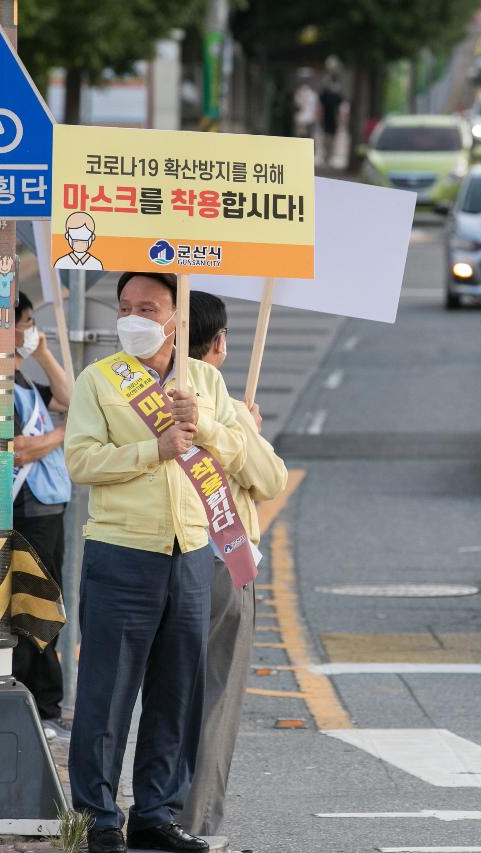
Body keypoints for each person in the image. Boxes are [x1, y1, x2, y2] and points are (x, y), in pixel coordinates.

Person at [65, 272, 247, 853]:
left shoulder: (207, 383)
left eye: (148, 307)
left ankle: (156, 812)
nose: (133, 318)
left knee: (179, 688)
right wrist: (154, 449)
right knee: (106, 688)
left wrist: (208, 423)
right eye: (124, 307)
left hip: (192, 550)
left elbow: (245, 456)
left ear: (177, 316)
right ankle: (97, 815)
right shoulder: (98, 380)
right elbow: (82, 461)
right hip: (122, 549)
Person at [178, 292, 288, 837]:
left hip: (161, 554)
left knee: (166, 689)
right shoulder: (219, 395)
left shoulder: (137, 384)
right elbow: (270, 481)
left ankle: (152, 810)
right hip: (224, 556)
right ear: (219, 341)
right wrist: (247, 429)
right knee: (218, 696)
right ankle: (194, 821)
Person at [11, 291, 73, 740]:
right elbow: (20, 449)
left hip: (49, 506)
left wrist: (45, 354)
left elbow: (71, 398)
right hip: (26, 508)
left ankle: (45, 703)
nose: (30, 329)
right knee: (30, 606)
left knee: (46, 602)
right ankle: (38, 704)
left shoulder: (23, 380)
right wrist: (66, 434)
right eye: (26, 322)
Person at [319, 75, 346, 167]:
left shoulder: (337, 95)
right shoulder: (325, 94)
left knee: (332, 140)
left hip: (333, 120)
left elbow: (341, 108)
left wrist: (341, 120)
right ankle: (326, 156)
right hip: (326, 120)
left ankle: (329, 156)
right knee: (326, 139)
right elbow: (320, 107)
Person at [294, 70, 319, 139]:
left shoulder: (301, 92)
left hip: (304, 118)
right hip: (307, 118)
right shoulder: (312, 93)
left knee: (302, 138)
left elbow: (297, 105)